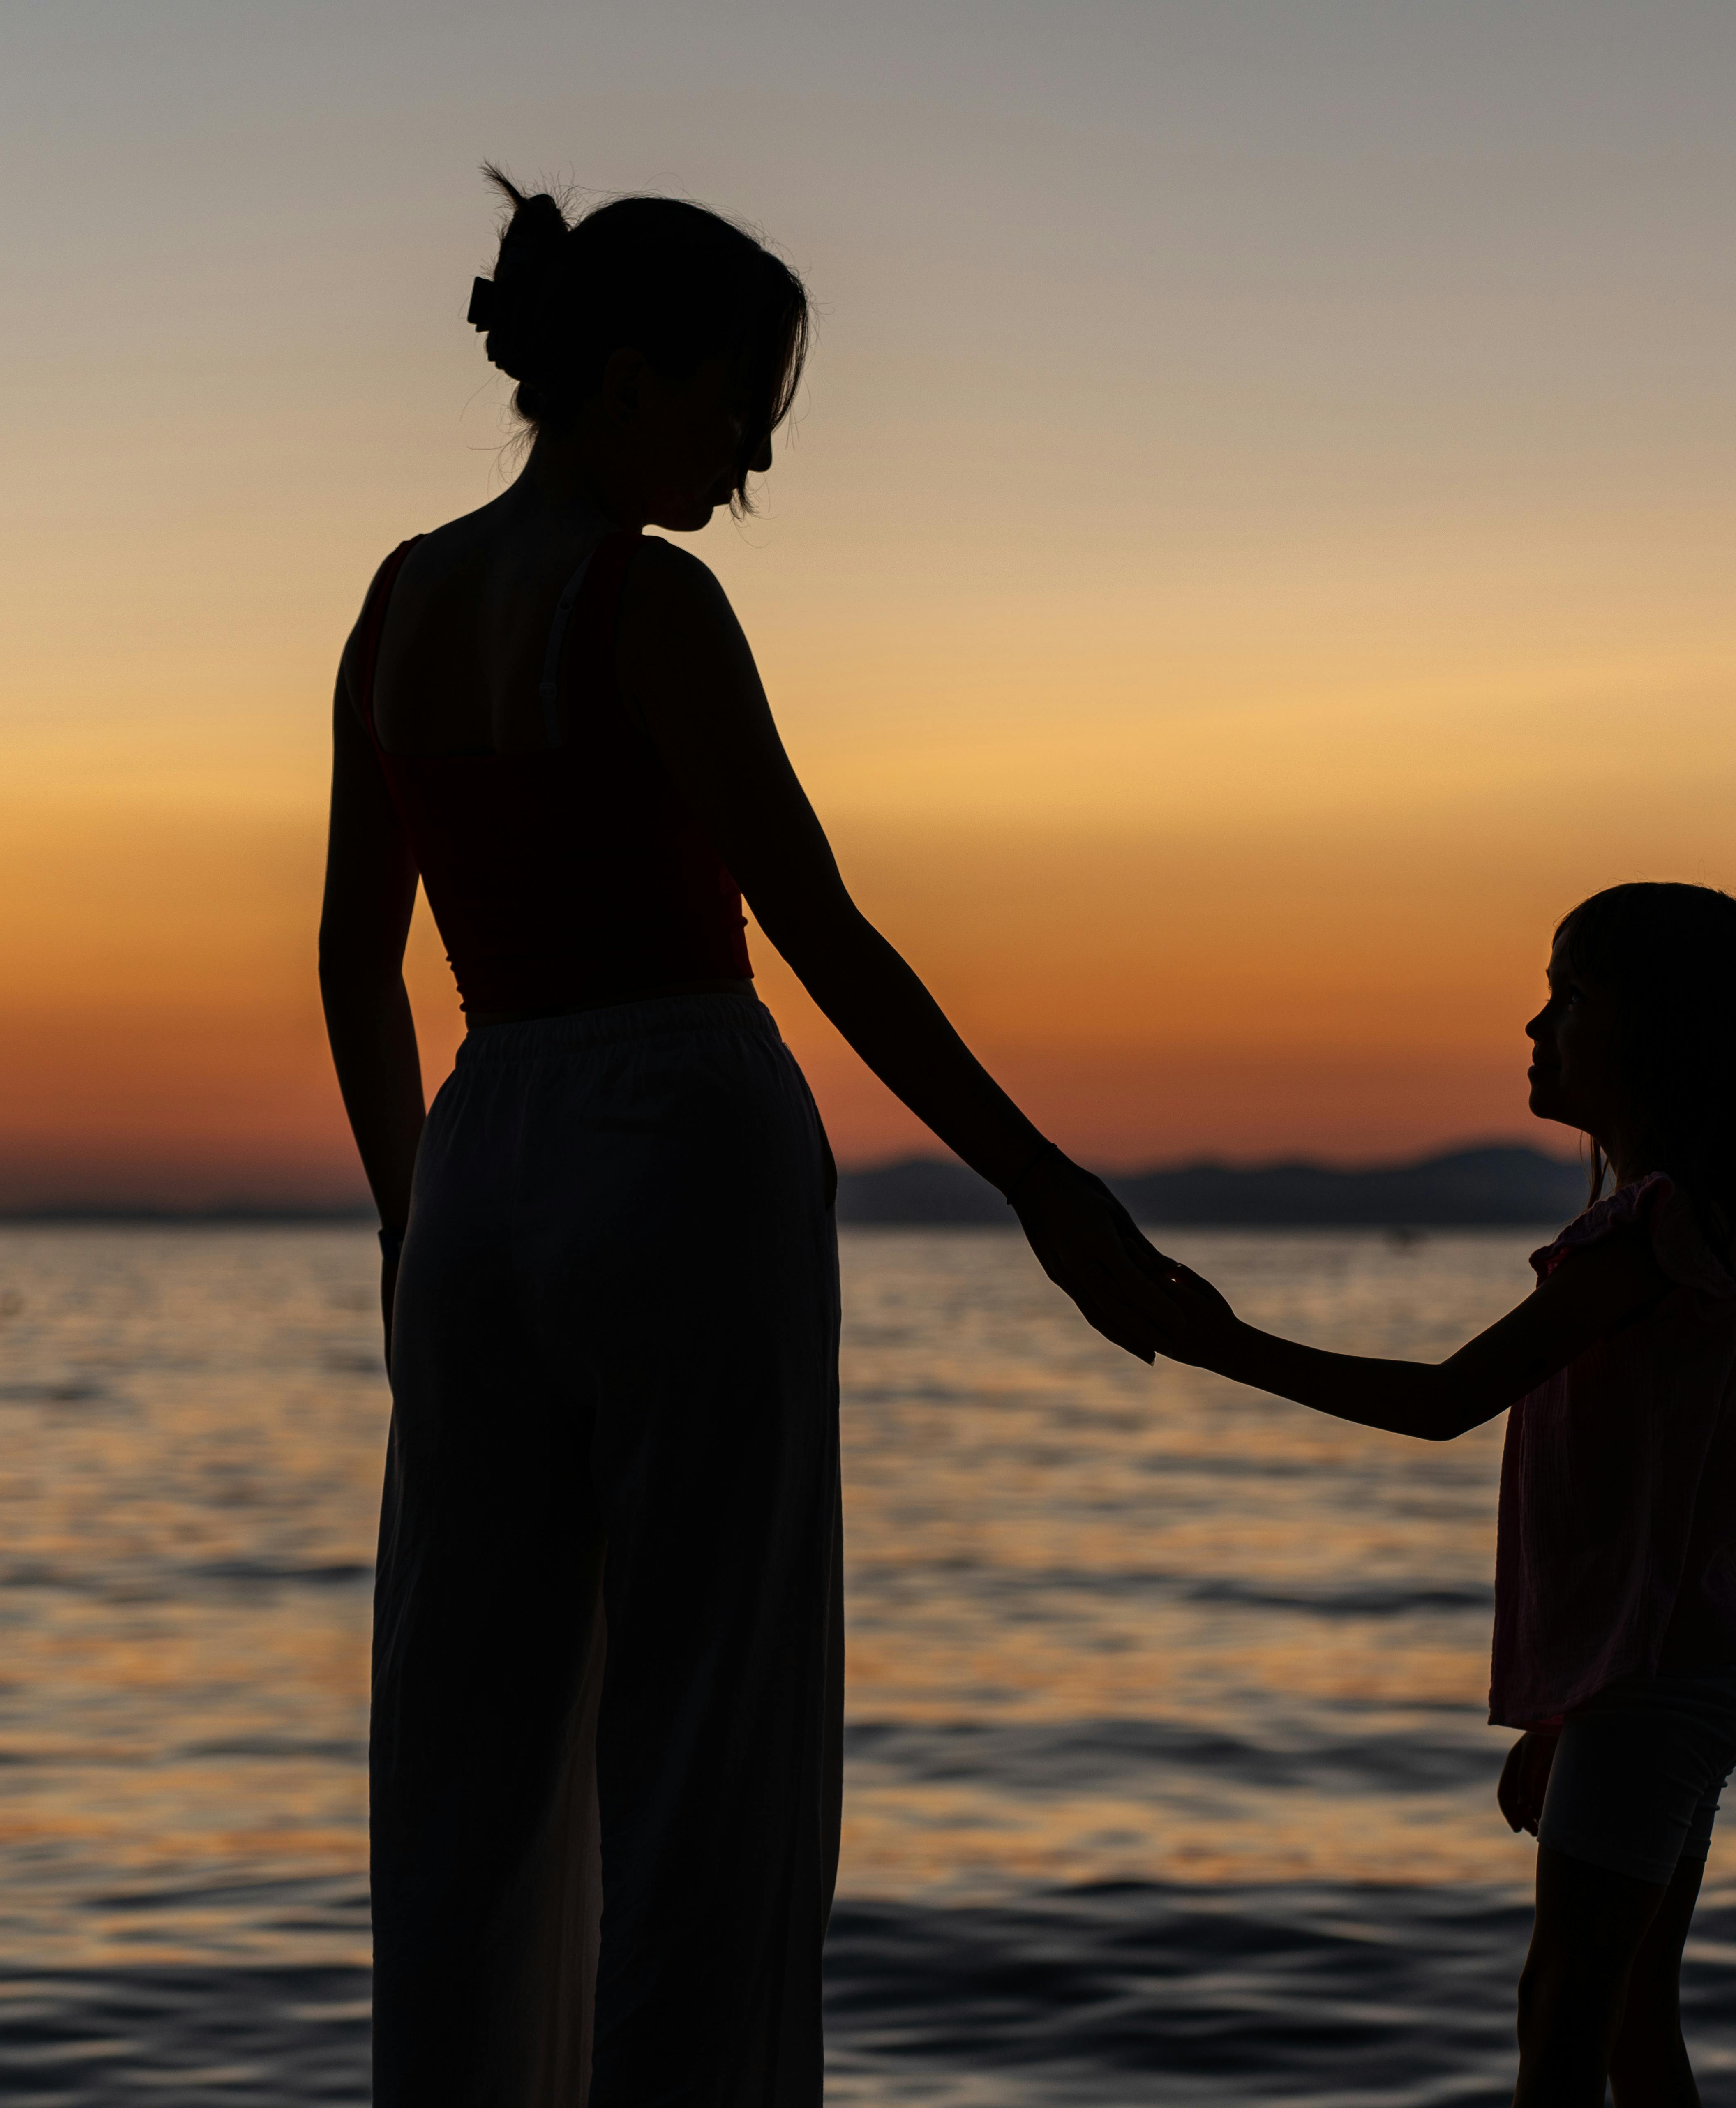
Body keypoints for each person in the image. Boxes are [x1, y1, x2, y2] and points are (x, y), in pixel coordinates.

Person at [316, 169, 1184, 2108]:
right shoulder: (646, 597)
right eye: (735, 403)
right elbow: (825, 930)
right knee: (714, 1736)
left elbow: (352, 961)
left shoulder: (402, 594)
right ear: (625, 379)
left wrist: (410, 1217)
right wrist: (1050, 1188)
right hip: (678, 1132)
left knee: (468, 1745)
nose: (757, 453)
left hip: (477, 1151)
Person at [1153, 882, 1736, 2107]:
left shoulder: (1648, 1235)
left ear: (1663, 1034)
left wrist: (1213, 1339)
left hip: (1656, 1682)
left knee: (1560, 2023)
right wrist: (1573, 1708)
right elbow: (1701, 1510)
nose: (1537, 1025)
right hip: (1694, 1662)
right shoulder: (1722, 1231)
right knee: (1636, 2018)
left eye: (1569, 996)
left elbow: (1442, 1399)